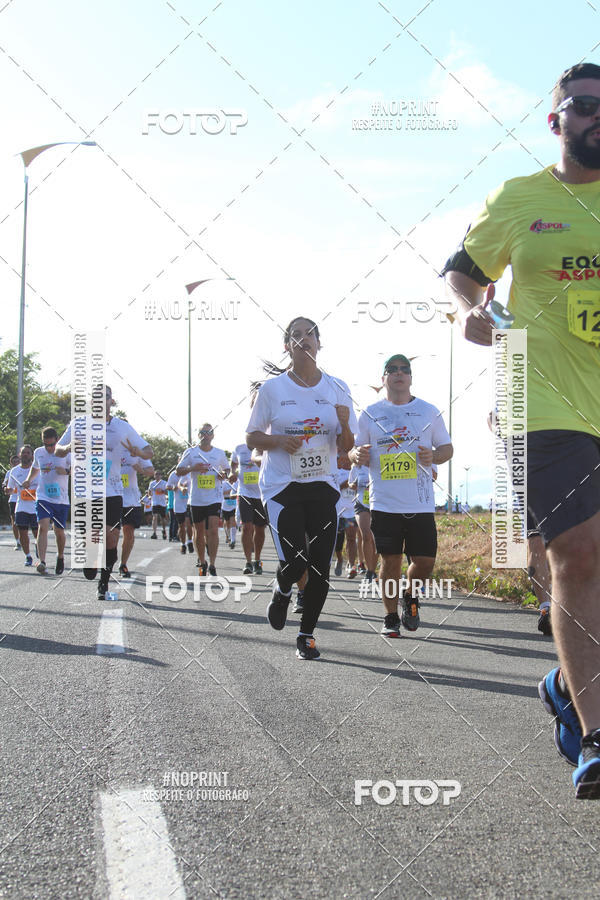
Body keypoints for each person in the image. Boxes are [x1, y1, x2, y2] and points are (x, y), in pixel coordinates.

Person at [443, 63, 600, 798]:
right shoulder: (521, 198)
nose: (599, 116)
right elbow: (465, 270)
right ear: (557, 119)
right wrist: (470, 309)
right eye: (585, 106)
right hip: (541, 400)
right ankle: (597, 738)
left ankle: (566, 683)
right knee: (578, 549)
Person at [246, 316, 357, 660]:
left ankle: (306, 635)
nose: (303, 339)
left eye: (309, 334)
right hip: (282, 487)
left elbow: (347, 448)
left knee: (320, 565)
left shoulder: (338, 388)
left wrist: (343, 425)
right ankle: (282, 590)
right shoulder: (273, 390)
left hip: (323, 485)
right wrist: (278, 440)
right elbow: (252, 437)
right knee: (295, 562)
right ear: (287, 346)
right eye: (295, 335)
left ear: (319, 344)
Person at [351, 355, 452, 638]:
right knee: (390, 562)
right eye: (392, 370)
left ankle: (410, 594)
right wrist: (356, 454)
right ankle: (391, 616)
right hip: (384, 502)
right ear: (383, 379)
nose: (398, 374)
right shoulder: (370, 413)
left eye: (404, 370)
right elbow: (353, 451)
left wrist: (435, 456)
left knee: (425, 562)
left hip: (420, 502)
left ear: (410, 378)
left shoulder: (428, 411)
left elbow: (447, 448)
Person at [56, 385, 153, 599]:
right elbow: (57, 449)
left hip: (112, 490)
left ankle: (104, 583)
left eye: (105, 397)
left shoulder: (121, 427)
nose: (101, 400)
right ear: (92, 402)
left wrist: (138, 451)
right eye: (96, 397)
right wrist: (70, 445)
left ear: (112, 401)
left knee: (111, 537)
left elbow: (149, 451)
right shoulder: (78, 424)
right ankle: (92, 562)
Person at [176, 424, 229, 576]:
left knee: (212, 530)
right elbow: (179, 471)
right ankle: (202, 561)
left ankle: (212, 563)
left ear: (213, 435)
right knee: (198, 532)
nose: (206, 435)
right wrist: (193, 468)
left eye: (209, 432)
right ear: (198, 435)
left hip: (214, 497)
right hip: (196, 499)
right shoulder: (191, 452)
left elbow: (226, 469)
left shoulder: (219, 453)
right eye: (203, 432)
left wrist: (223, 475)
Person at [22, 428, 71, 575]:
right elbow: (35, 469)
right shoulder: (38, 452)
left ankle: (60, 556)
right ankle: (42, 561)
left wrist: (67, 471)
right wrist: (28, 479)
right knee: (42, 526)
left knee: (59, 531)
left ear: (57, 440)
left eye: (51, 445)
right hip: (43, 496)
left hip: (61, 499)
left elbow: (80, 469)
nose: (49, 449)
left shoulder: (65, 452)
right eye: (46, 445)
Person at [231, 439, 267, 575]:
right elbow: (233, 463)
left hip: (262, 493)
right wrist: (232, 473)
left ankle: (257, 560)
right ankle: (248, 562)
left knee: (260, 528)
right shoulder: (239, 448)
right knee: (247, 527)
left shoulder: (264, 446)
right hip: (244, 492)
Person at [119, 453, 155, 576]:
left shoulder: (135, 449)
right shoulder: (107, 445)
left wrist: (139, 469)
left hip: (130, 500)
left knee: (128, 532)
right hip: (111, 496)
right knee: (110, 534)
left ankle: (123, 564)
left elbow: (151, 471)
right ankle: (107, 561)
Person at [8, 446, 39, 566]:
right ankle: (28, 556)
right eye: (23, 453)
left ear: (32, 455)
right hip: (21, 506)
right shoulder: (14, 471)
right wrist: (7, 490)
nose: (25, 455)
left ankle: (38, 545)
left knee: (38, 533)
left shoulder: (37, 469)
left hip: (36, 506)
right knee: (23, 533)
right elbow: (10, 489)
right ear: (20, 455)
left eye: (28, 453)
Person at [348, 462, 378, 582]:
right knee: (366, 535)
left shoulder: (379, 462)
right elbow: (350, 483)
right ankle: (369, 571)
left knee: (376, 539)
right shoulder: (356, 466)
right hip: (361, 504)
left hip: (378, 503)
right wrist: (353, 485)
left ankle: (372, 569)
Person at [167, 470, 193, 554]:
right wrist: (173, 487)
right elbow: (167, 486)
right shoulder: (173, 474)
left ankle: (190, 541)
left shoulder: (190, 473)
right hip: (178, 503)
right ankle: (183, 544)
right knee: (181, 525)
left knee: (189, 524)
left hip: (188, 502)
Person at [3, 454, 22, 550]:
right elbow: (4, 484)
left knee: (23, 523)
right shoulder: (9, 473)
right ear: (11, 464)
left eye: (17, 461)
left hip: (24, 500)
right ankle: (18, 542)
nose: (16, 463)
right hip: (13, 499)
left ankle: (34, 540)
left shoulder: (26, 471)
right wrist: (5, 487)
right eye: (13, 462)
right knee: (14, 522)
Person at [148, 471, 168, 539]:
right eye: (156, 475)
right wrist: (150, 495)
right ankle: (154, 533)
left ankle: (164, 530)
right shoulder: (152, 483)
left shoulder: (164, 483)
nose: (157, 476)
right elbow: (149, 492)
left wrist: (162, 491)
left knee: (163, 519)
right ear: (154, 476)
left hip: (162, 502)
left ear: (161, 476)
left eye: (159, 475)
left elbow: (167, 493)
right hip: (155, 502)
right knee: (155, 517)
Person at [221, 476, 238, 549]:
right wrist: (230, 491)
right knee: (227, 523)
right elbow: (222, 493)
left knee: (233, 521)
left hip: (234, 504)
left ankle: (233, 540)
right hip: (225, 504)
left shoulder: (237, 483)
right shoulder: (224, 483)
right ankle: (229, 536)